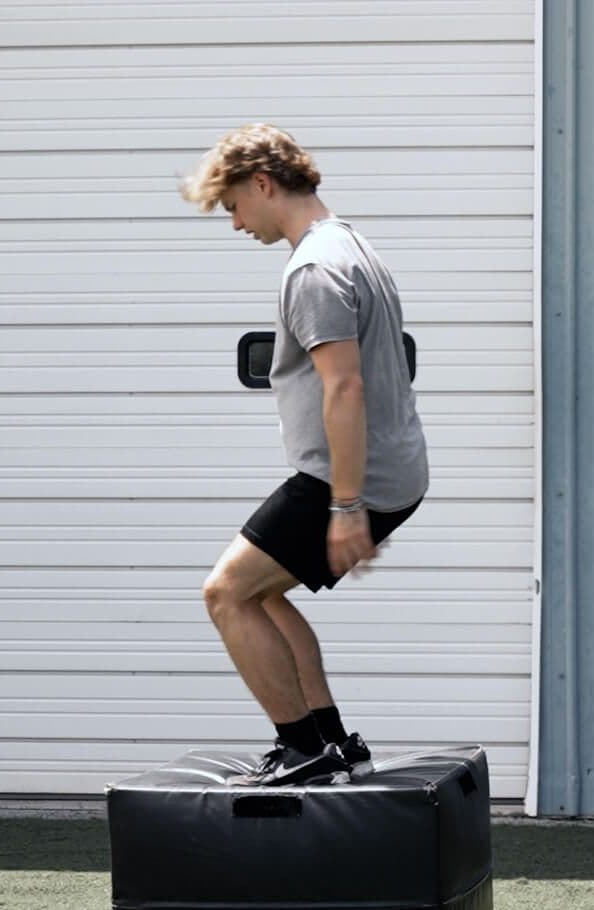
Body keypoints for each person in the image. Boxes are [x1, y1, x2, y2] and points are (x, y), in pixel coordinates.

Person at [180, 124, 428, 786]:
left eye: (233, 205)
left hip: (348, 478)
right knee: (261, 595)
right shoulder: (350, 243)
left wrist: (347, 505)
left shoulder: (314, 268)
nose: (235, 223)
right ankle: (333, 741)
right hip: (382, 470)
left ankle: (303, 751)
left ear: (263, 184)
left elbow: (343, 386)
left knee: (226, 593)